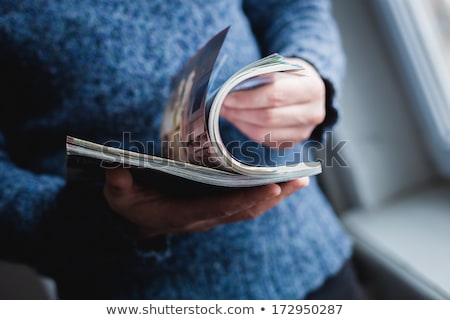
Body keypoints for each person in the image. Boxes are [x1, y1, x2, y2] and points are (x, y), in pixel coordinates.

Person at [0, 0, 366, 299]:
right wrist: (99, 221)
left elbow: (293, 7)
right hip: (124, 291)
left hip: (309, 261)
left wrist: (310, 70)